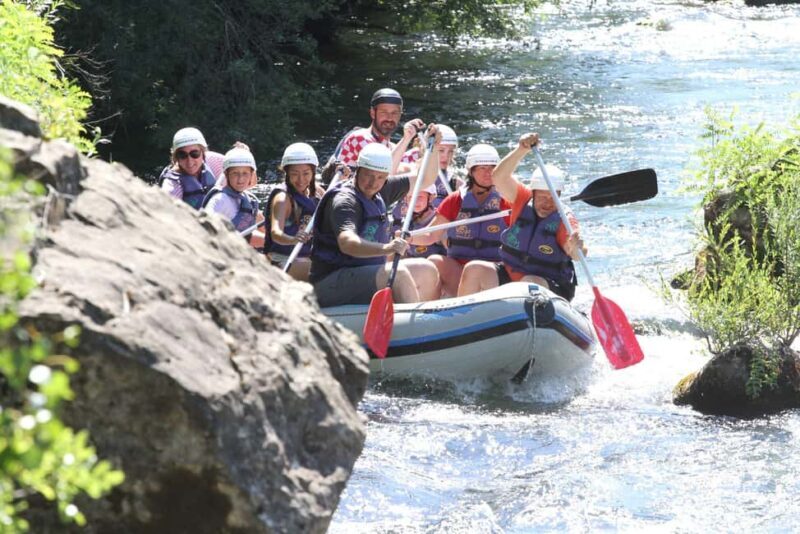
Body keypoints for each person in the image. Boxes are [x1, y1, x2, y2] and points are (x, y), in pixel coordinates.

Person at [310, 126, 443, 308]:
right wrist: (387, 248)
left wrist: (433, 148)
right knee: (396, 274)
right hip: (331, 282)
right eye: (368, 175)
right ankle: (416, 322)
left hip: (363, 273)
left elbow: (425, 179)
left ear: (387, 176)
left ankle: (414, 317)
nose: (373, 183)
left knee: (426, 270)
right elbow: (347, 243)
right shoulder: (344, 201)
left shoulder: (384, 188)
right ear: (358, 170)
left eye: (380, 177)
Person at [458, 133, 586, 301]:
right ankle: (464, 314)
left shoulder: (565, 220)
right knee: (474, 269)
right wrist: (521, 149)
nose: (547, 203)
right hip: (512, 278)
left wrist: (576, 248)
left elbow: (576, 253)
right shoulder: (522, 199)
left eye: (552, 198)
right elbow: (498, 177)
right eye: (542, 197)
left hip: (548, 285)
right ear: (533, 194)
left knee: (528, 284)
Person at [408, 143, 510, 297]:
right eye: (482, 168)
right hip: (459, 273)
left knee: (475, 269)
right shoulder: (455, 200)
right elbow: (430, 235)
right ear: (471, 170)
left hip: (491, 273)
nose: (488, 173)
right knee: (435, 261)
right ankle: (432, 307)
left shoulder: (506, 201)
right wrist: (407, 237)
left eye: (492, 168)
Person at [263, 142, 327, 282]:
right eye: (294, 174)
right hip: (283, 260)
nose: (301, 180)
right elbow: (275, 233)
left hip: (307, 257)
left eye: (306, 173)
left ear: (313, 172)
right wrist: (293, 239)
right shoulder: (283, 198)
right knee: (324, 269)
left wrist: (342, 179)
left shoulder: (318, 192)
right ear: (286, 173)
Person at [336, 88, 424, 175]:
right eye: (384, 112)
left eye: (394, 113)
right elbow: (385, 173)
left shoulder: (391, 147)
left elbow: (401, 159)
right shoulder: (359, 138)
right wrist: (406, 139)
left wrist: (423, 148)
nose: (389, 118)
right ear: (373, 113)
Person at [202, 147, 261, 237]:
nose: (240, 179)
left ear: (251, 174)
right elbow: (205, 225)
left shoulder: (246, 197)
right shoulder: (219, 199)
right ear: (226, 174)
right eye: (235, 173)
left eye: (245, 173)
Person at [159, 127, 217, 209]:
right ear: (176, 157)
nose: (190, 161)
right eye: (182, 155)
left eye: (195, 154)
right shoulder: (172, 185)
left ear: (203, 153)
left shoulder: (214, 161)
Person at [390, 184, 445, 259]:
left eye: (420, 197)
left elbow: (431, 236)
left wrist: (409, 238)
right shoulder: (405, 222)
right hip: (413, 263)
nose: (415, 201)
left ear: (430, 198)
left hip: (433, 263)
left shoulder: (440, 219)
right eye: (411, 197)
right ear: (405, 199)